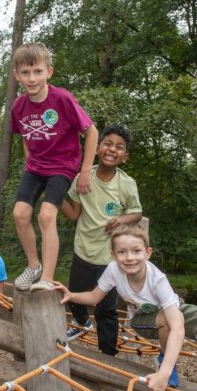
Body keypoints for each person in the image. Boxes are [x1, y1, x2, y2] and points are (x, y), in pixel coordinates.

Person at [54, 225, 197, 391]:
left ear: (147, 252)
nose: (129, 258)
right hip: (144, 319)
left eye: (136, 251)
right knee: (167, 320)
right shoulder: (113, 270)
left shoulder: (157, 278)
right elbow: (94, 297)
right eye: (122, 252)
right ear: (113, 255)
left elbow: (178, 325)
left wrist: (163, 375)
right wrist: (72, 295)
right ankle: (164, 360)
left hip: (173, 309)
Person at [11, 42, 99, 293]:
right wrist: (30, 162)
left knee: (46, 215)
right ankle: (34, 266)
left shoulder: (62, 98)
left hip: (63, 166)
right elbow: (25, 138)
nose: (32, 78)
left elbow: (91, 131)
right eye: (25, 73)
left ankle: (47, 278)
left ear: (49, 72)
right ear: (17, 75)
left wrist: (84, 171)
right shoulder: (18, 107)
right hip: (36, 167)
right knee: (19, 214)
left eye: (37, 71)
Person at [60, 123, 142, 356]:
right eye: (107, 143)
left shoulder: (126, 184)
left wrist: (122, 219)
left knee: (106, 308)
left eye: (119, 147)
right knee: (75, 297)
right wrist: (55, 198)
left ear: (125, 156)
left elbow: (136, 213)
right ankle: (82, 323)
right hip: (83, 250)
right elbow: (74, 214)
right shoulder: (83, 178)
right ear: (96, 148)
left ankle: (108, 354)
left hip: (109, 258)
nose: (112, 149)